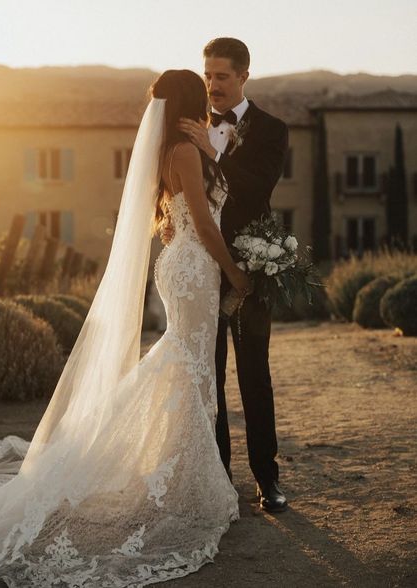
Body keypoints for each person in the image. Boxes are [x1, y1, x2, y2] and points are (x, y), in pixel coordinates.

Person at [0, 70, 250, 588]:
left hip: (182, 266)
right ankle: (176, 481)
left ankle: (181, 476)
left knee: (186, 362)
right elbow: (202, 219)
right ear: (192, 101)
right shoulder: (185, 152)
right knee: (188, 364)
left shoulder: (173, 150)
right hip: (196, 268)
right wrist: (236, 273)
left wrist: (215, 158)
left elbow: (182, 218)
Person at [176, 38, 289, 512]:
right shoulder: (194, 126)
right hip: (204, 269)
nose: (212, 86)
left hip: (251, 264)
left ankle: (268, 479)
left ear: (243, 75)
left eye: (221, 76)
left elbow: (259, 185)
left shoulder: (271, 128)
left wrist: (216, 153)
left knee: (254, 374)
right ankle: (220, 478)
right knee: (210, 376)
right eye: (207, 76)